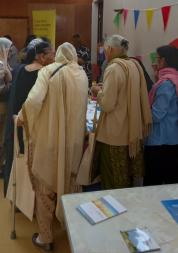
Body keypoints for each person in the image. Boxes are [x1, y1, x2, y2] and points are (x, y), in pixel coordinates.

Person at [16, 42, 88, 251]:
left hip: (49, 142)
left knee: (44, 190)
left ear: (58, 55)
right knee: (69, 185)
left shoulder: (48, 71)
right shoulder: (82, 75)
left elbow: (33, 101)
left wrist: (22, 118)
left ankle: (45, 238)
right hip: (73, 143)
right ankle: (72, 231)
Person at [92, 35, 152, 190]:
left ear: (110, 49)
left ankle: (114, 208)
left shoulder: (113, 68)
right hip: (132, 131)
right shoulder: (135, 65)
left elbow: (107, 104)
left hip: (115, 133)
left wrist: (98, 92)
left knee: (113, 178)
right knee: (129, 176)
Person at [3, 38, 54, 195]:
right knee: (29, 161)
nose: (53, 57)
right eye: (51, 54)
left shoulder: (19, 69)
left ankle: (14, 195)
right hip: (30, 125)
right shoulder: (44, 74)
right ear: (40, 56)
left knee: (15, 157)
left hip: (15, 121)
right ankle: (28, 198)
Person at [144, 45, 178, 186]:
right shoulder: (173, 79)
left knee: (153, 183)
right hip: (172, 138)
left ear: (164, 60)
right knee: (170, 183)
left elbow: (157, 115)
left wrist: (141, 114)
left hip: (160, 140)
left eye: (157, 59)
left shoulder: (166, 84)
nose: (156, 62)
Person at [0, 37, 12, 177]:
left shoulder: (3, 63)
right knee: (2, 137)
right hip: (1, 107)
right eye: (8, 48)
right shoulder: (1, 64)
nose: (9, 52)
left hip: (3, 107)